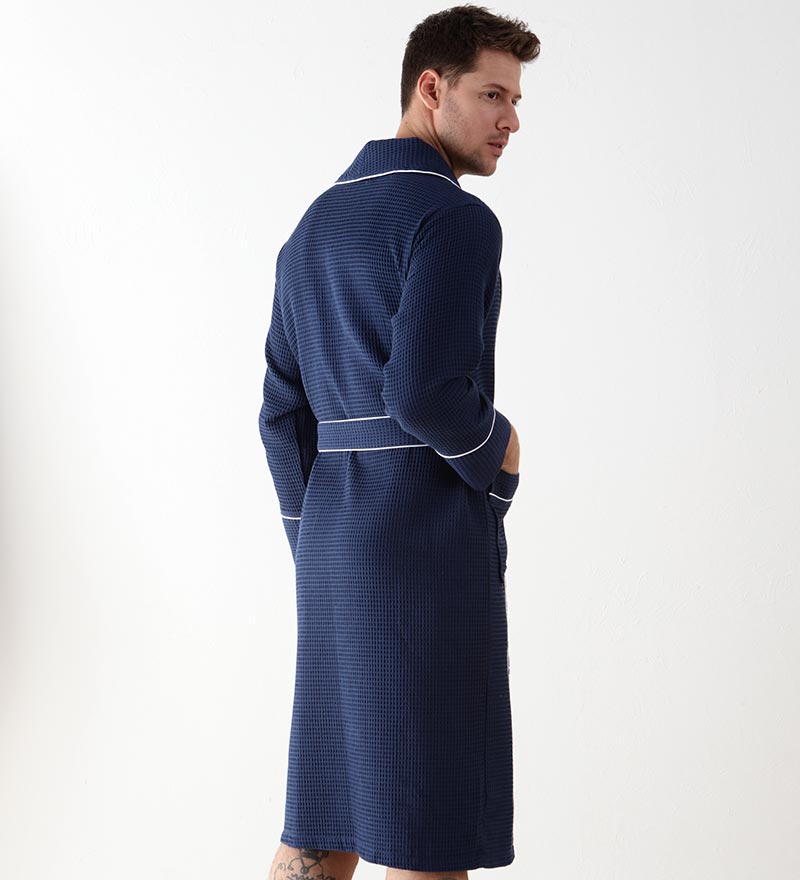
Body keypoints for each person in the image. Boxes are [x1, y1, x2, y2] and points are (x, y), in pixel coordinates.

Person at [258, 5, 540, 880]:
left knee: (324, 812)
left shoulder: (310, 227)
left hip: (334, 549)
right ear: (431, 88)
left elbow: (279, 415)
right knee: (428, 820)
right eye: (492, 94)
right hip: (421, 547)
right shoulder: (453, 219)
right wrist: (500, 454)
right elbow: (421, 393)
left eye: (516, 100)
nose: (511, 119)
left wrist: (312, 537)